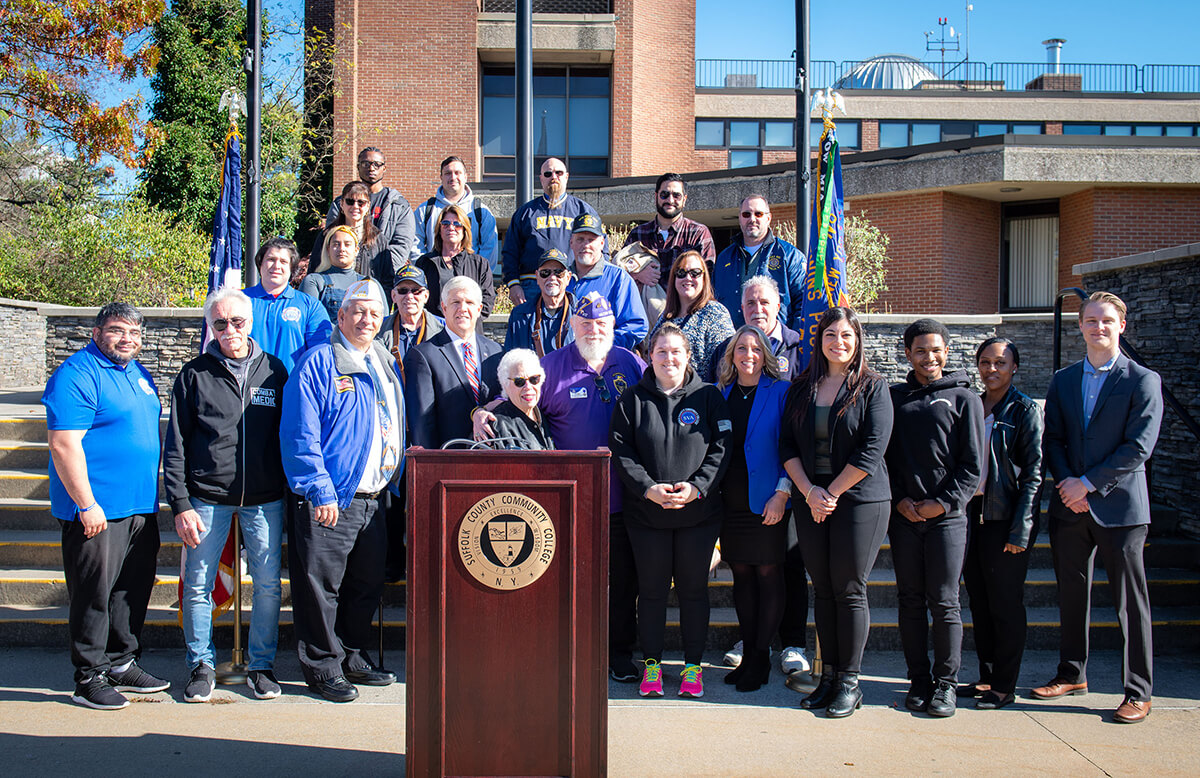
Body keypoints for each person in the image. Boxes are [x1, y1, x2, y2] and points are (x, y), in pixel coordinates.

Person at [478, 291, 646, 682]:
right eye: (585, 323)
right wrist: (480, 411)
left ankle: (619, 653)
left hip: (626, 498)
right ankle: (572, 654)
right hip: (569, 503)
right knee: (571, 585)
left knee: (622, 584)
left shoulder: (631, 363)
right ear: (572, 326)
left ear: (613, 326)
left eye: (602, 323)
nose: (594, 330)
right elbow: (516, 398)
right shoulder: (550, 366)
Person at [1033, 292, 1162, 724]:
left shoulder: (1142, 380)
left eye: (1106, 320)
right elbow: (1052, 439)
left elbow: (1138, 447)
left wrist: (1087, 484)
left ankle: (1138, 691)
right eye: (1090, 320)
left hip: (1120, 510)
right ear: (1081, 326)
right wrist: (1070, 484)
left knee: (1130, 602)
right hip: (1070, 508)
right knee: (1072, 595)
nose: (1098, 327)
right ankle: (1072, 674)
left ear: (1121, 325)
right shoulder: (1064, 379)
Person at [281, 279, 406, 702]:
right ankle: (321, 665)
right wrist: (319, 489)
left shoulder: (383, 361)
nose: (366, 319)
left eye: (374, 313)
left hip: (375, 498)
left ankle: (351, 652)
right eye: (358, 311)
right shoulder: (318, 363)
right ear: (341, 316)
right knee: (321, 586)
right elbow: (301, 435)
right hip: (333, 497)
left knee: (366, 583)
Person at [163, 288, 289, 703]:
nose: (230, 330)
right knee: (197, 583)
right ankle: (200, 664)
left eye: (237, 321)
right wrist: (180, 504)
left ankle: (261, 666)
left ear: (251, 322)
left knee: (269, 585)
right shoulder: (193, 374)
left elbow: (289, 436)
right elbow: (176, 445)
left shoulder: (275, 371)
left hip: (265, 498)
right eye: (220, 323)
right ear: (210, 326)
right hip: (206, 500)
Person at [42, 302, 169, 710]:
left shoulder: (137, 371)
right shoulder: (77, 374)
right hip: (96, 511)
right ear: (97, 333)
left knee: (130, 591)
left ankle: (121, 662)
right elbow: (64, 444)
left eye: (134, 332)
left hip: (138, 507)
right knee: (94, 594)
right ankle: (89, 676)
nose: (126, 339)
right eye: (117, 330)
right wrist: (86, 503)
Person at [780, 307, 893, 718]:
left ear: (857, 340)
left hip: (859, 501)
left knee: (849, 589)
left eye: (846, 335)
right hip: (811, 500)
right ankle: (827, 678)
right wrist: (810, 491)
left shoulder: (873, 387)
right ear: (819, 340)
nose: (838, 342)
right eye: (830, 335)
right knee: (822, 588)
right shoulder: (802, 387)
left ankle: (850, 681)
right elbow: (787, 447)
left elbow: (872, 449)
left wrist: (830, 492)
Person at [609, 324, 730, 699]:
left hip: (699, 515)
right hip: (647, 517)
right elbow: (621, 451)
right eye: (661, 352)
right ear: (649, 357)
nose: (669, 358)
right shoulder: (632, 400)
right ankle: (652, 666)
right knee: (652, 592)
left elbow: (722, 448)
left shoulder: (709, 397)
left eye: (676, 351)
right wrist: (648, 489)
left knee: (694, 591)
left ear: (689, 355)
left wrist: (697, 487)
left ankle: (693, 667)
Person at [885, 318, 985, 719]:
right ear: (907, 353)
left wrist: (941, 504)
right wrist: (900, 501)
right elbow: (883, 457)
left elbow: (972, 465)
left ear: (947, 351)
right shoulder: (893, 398)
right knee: (909, 600)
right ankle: (919, 680)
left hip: (948, 518)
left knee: (944, 602)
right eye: (921, 350)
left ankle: (946, 685)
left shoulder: (965, 398)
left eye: (936, 349)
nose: (929, 357)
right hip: (904, 515)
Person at [959, 337, 1043, 711]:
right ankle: (987, 675)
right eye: (986, 362)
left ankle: (1005, 685)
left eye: (1001, 363)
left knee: (1005, 604)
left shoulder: (1024, 410)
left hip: (1005, 519)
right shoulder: (973, 404)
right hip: (970, 517)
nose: (992, 369)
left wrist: (1021, 529)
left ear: (1014, 368)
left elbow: (1034, 475)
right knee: (979, 600)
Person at [714, 325, 791, 692]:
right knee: (741, 576)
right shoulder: (720, 394)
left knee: (768, 575)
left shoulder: (780, 392)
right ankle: (748, 656)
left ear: (766, 355)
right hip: (731, 502)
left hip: (768, 501)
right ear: (732, 355)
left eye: (756, 349)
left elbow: (791, 448)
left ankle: (761, 656)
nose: (749, 355)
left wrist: (782, 493)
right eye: (741, 348)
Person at [404, 276, 502, 449]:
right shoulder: (422, 356)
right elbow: (421, 424)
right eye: (455, 302)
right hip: (448, 460)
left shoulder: (497, 352)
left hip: (492, 459)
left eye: (469, 303)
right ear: (444, 308)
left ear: (479, 309)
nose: (462, 309)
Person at [502, 157, 604, 304]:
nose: (554, 177)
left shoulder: (583, 211)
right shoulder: (525, 213)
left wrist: (595, 281)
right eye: (548, 174)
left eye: (559, 173)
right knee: (531, 327)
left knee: (574, 326)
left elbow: (602, 250)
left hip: (573, 283)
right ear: (541, 178)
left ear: (567, 177)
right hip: (532, 285)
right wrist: (513, 284)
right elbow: (510, 252)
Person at [712, 194, 806, 331]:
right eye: (746, 214)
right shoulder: (724, 258)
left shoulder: (789, 255)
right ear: (740, 218)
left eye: (758, 214)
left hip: (776, 347)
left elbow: (804, 304)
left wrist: (793, 342)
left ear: (768, 218)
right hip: (733, 345)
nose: (752, 219)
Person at [325, 147, 415, 283]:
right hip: (342, 276)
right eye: (365, 164)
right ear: (358, 167)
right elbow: (330, 237)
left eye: (377, 164)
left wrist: (379, 271)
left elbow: (402, 245)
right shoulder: (341, 203)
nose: (371, 168)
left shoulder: (399, 205)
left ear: (384, 168)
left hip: (379, 277)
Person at [244, 236, 332, 373]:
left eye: (283, 261)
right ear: (260, 263)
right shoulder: (239, 300)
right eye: (271, 259)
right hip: (245, 387)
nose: (276, 266)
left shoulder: (310, 306)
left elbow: (321, 355)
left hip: (291, 387)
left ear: (292, 268)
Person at [644, 250, 734, 382]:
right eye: (681, 273)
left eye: (695, 273)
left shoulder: (715, 313)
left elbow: (725, 363)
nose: (688, 278)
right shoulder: (664, 318)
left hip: (701, 397)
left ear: (704, 278)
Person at [566, 212, 647, 351]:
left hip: (605, 364)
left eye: (591, 240)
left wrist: (601, 348)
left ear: (602, 243)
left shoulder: (618, 278)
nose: (585, 245)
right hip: (565, 362)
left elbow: (636, 325)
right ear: (571, 243)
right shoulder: (561, 279)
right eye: (580, 239)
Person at [622, 172, 716, 288]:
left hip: (685, 305)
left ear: (684, 200)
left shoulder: (698, 233)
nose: (670, 200)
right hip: (644, 305)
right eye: (664, 194)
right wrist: (637, 273)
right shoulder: (637, 234)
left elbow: (707, 277)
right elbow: (620, 270)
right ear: (656, 196)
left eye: (676, 195)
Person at [411, 155, 499, 274]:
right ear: (441, 177)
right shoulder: (425, 210)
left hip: (470, 281)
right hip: (434, 280)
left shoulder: (481, 212)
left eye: (457, 173)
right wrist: (426, 272)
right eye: (448, 173)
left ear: (465, 177)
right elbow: (415, 245)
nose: (453, 177)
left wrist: (477, 275)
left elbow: (489, 248)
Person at [415, 203, 496, 318]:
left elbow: (487, 303)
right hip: (434, 332)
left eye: (457, 224)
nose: (451, 228)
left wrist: (463, 322)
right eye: (445, 224)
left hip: (468, 331)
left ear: (465, 230)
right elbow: (418, 298)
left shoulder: (480, 264)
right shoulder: (425, 263)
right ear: (439, 229)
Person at [314, 181, 396, 290]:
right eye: (350, 201)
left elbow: (388, 281)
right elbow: (314, 271)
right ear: (342, 204)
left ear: (368, 206)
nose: (355, 206)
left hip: (368, 301)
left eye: (361, 202)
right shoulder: (327, 236)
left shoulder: (378, 239)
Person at [378, 265, 445, 381]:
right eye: (402, 291)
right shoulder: (378, 329)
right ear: (393, 296)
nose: (409, 297)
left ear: (426, 296)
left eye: (416, 291)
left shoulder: (444, 329)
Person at [504, 248, 575, 356]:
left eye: (558, 272)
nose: (552, 278)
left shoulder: (581, 314)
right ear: (537, 277)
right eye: (545, 273)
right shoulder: (519, 316)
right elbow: (511, 361)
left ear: (568, 277)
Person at [488, 349, 554, 450]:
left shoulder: (546, 415)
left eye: (534, 379)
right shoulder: (495, 428)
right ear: (505, 385)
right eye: (519, 381)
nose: (528, 387)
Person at [300, 225, 367, 321]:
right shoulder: (314, 281)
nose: (342, 249)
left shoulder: (369, 283)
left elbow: (381, 322)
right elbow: (309, 320)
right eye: (336, 244)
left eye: (347, 244)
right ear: (328, 249)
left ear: (356, 250)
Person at [614, 242, 666, 328]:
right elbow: (617, 271)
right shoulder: (637, 233)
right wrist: (637, 273)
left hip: (675, 308)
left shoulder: (692, 233)